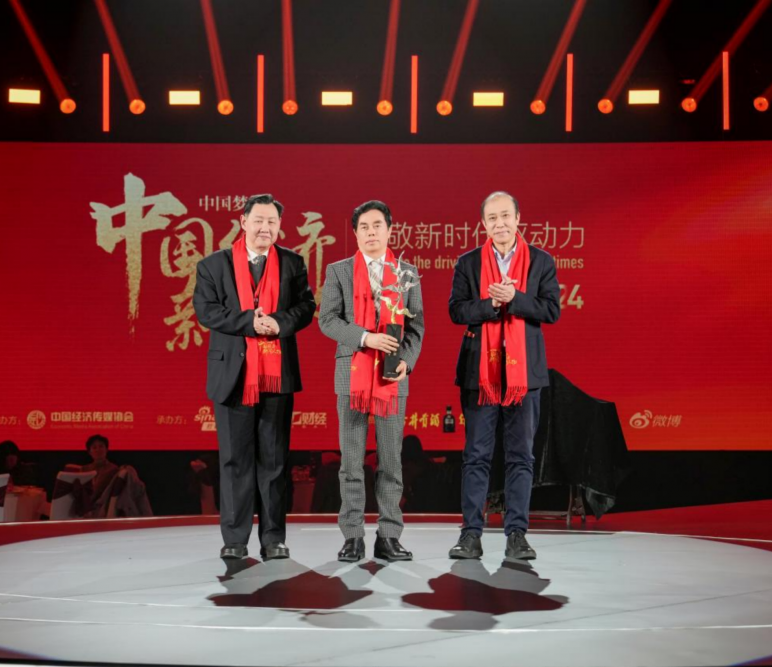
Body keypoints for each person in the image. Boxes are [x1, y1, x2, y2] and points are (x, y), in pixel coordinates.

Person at [193, 194, 316, 561]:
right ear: (243, 221)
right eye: (259, 220)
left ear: (280, 226)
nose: (265, 228)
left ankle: (273, 538)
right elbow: (206, 310)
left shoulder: (292, 263)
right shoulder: (213, 265)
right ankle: (235, 538)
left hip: (277, 377)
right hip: (233, 375)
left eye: (272, 222)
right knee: (235, 461)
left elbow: (306, 307)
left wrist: (278, 323)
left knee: (274, 462)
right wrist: (250, 322)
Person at [448, 192, 561, 562]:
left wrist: (515, 298)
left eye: (505, 216)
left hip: (524, 376)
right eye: (492, 218)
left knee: (521, 456)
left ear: (518, 219)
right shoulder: (468, 262)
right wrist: (491, 304)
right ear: (483, 224)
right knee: (476, 455)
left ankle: (517, 535)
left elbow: (551, 310)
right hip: (479, 375)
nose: (500, 224)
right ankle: (470, 534)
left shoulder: (541, 261)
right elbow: (456, 310)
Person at [318, 200, 425, 563]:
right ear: (355, 232)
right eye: (363, 227)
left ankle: (389, 536)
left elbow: (417, 327)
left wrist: (407, 362)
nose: (371, 232)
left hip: (392, 377)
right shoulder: (339, 271)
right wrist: (367, 338)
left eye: (377, 225)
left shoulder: (406, 272)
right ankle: (352, 537)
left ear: (390, 229)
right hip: (352, 375)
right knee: (351, 463)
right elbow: (327, 320)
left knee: (391, 462)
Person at [80, 434, 153, 519]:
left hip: (102, 505)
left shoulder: (113, 469)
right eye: (94, 447)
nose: (98, 450)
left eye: (101, 446)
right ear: (89, 452)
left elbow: (98, 490)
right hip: (85, 504)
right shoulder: (84, 469)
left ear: (106, 449)